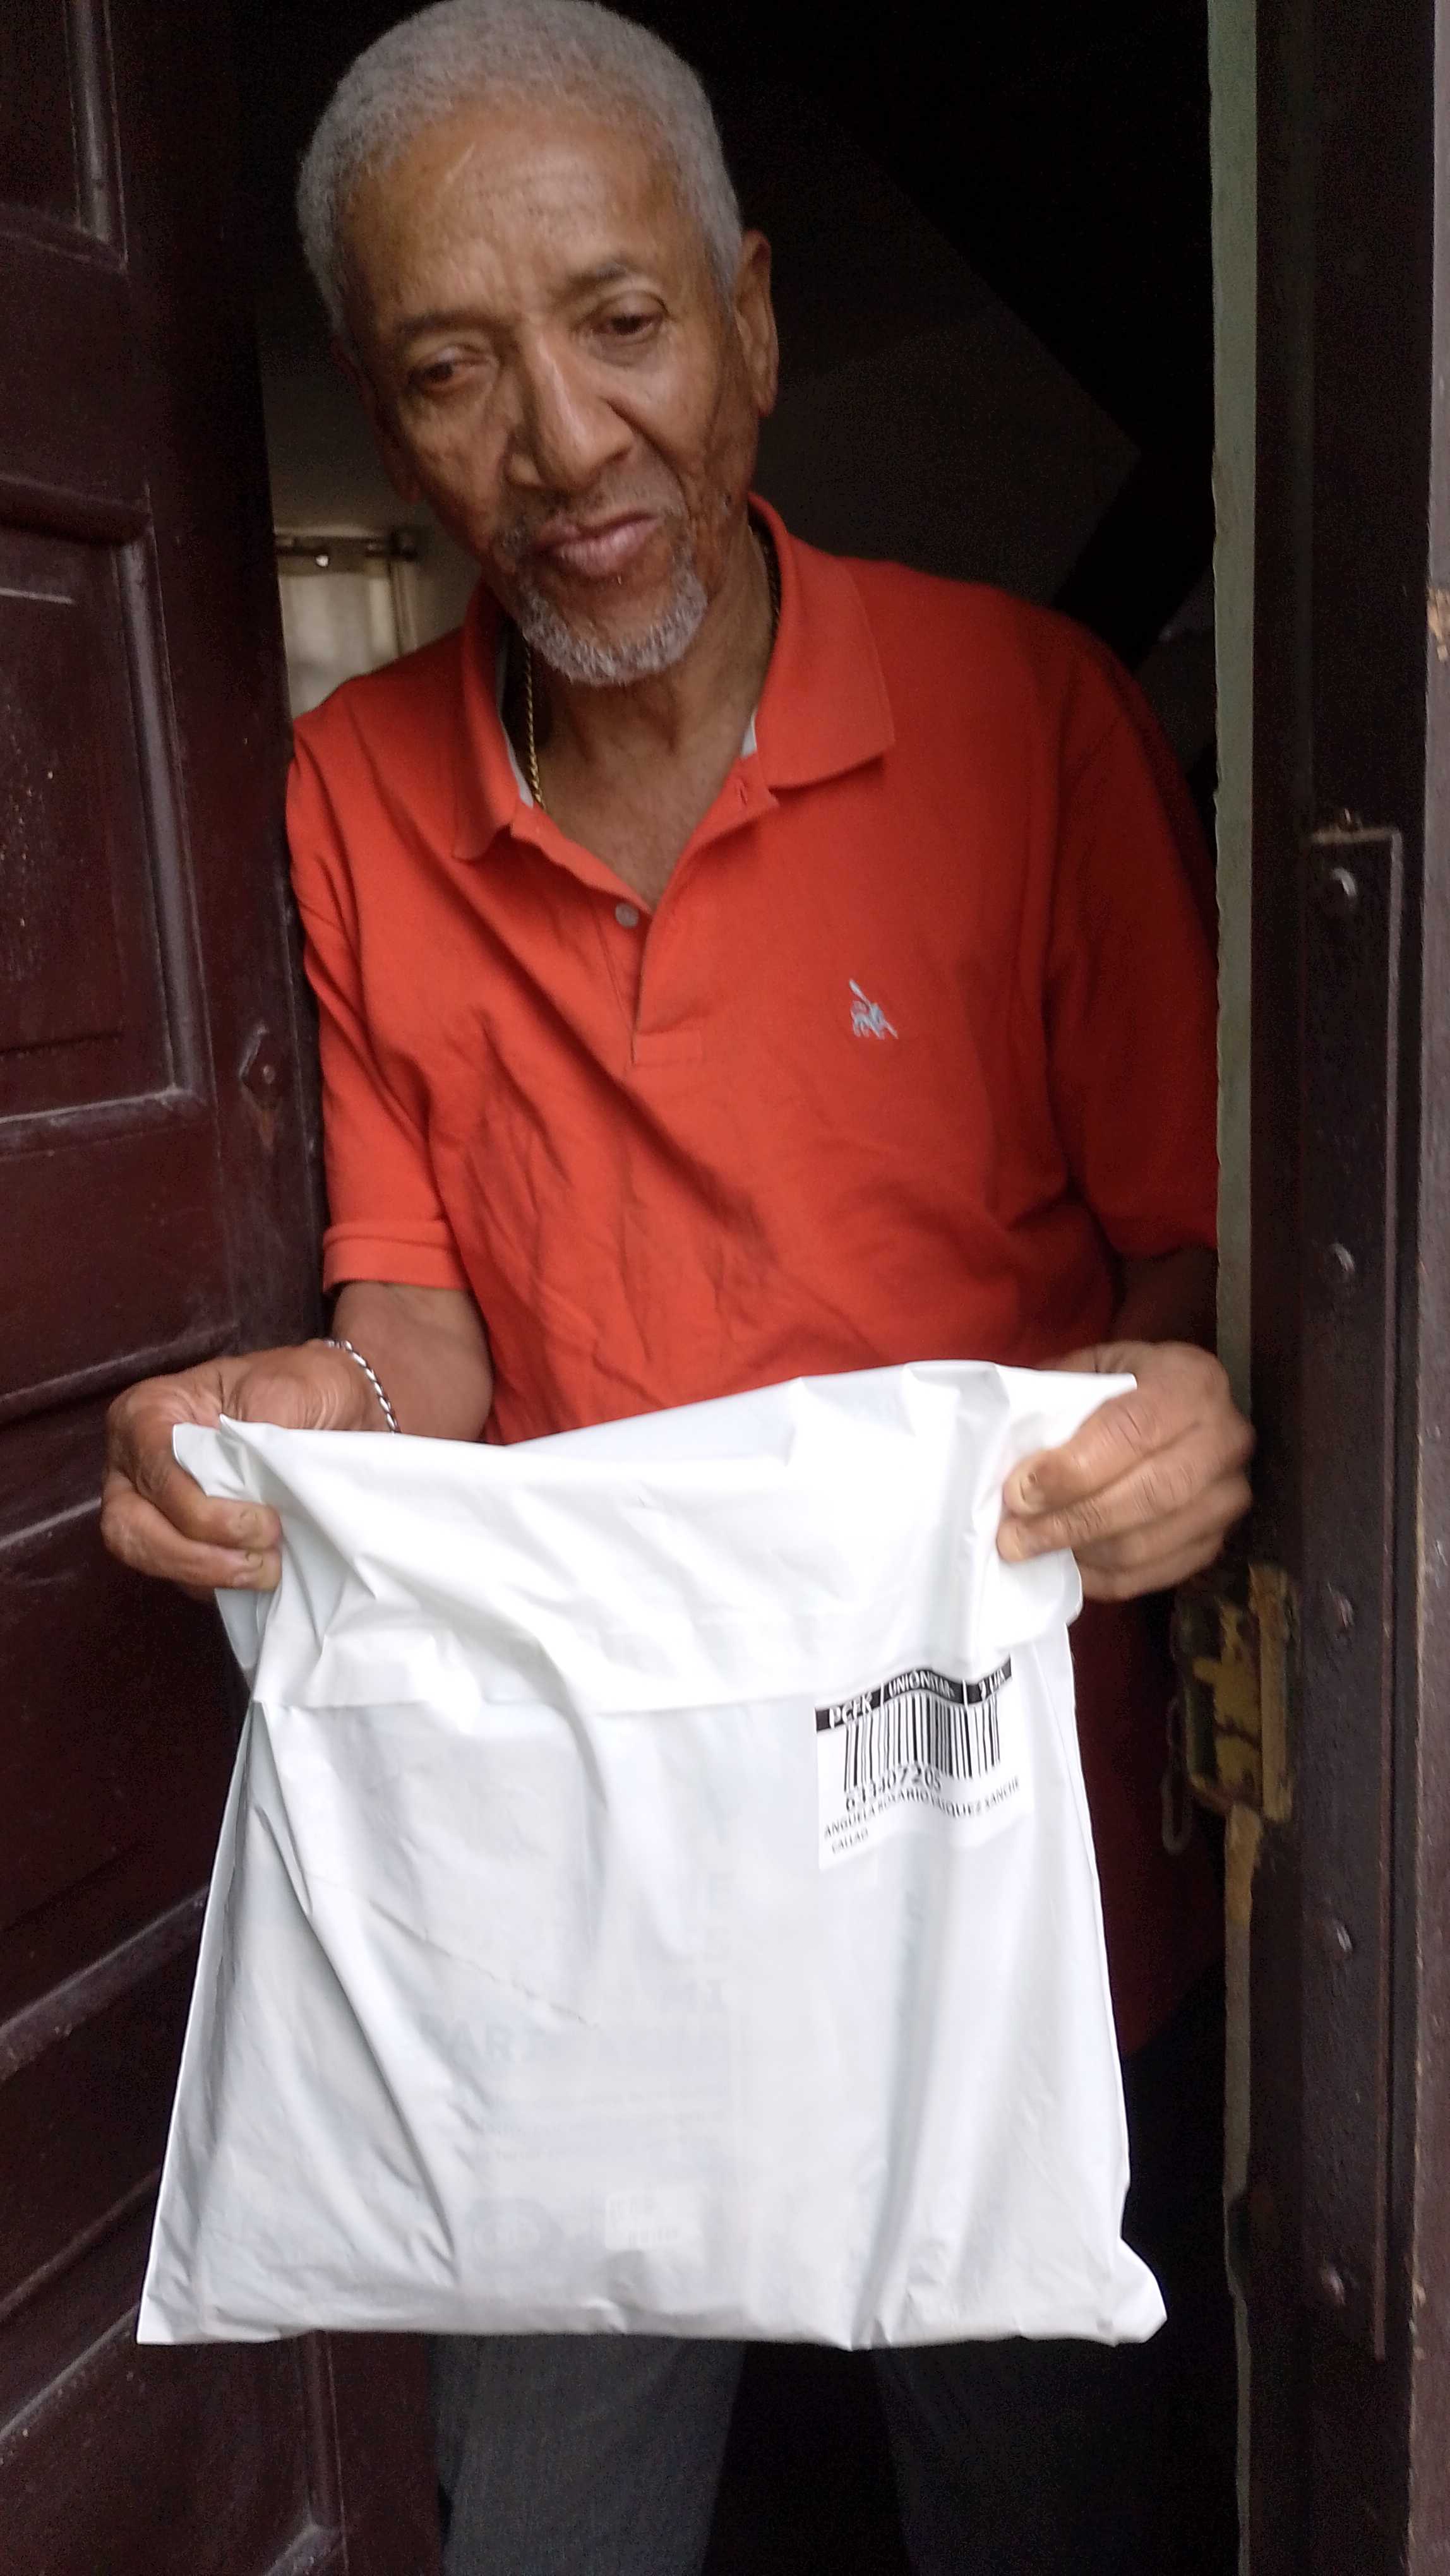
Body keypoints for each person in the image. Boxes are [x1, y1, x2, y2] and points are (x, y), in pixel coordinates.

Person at [101, 4, 1254, 2567]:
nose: (564, 441)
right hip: (570, 1875)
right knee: (543, 2523)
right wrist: (294, 1420)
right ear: (387, 420)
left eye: (622, 324)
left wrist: (1181, 1406)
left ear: (748, 319)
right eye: (453, 372)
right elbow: (421, 1319)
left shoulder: (1032, 722)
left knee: (1042, 2505)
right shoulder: (355, 787)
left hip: (987, 1857)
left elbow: (1184, 1258)